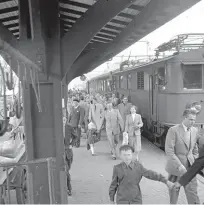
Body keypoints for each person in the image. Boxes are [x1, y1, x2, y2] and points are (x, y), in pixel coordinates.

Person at [109, 145, 174, 204]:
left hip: (136, 199)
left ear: (132, 155)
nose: (127, 157)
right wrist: (111, 200)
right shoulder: (117, 168)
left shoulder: (138, 167)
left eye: (128, 155)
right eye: (124, 155)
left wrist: (166, 181)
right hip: (122, 200)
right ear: (120, 155)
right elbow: (113, 185)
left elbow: (151, 174)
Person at [165, 109, 200, 204]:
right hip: (176, 169)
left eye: (194, 120)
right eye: (191, 119)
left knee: (193, 194)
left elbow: (195, 148)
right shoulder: (173, 130)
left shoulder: (194, 130)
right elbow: (169, 151)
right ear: (185, 118)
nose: (193, 122)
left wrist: (195, 159)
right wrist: (179, 165)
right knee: (173, 195)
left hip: (190, 169)